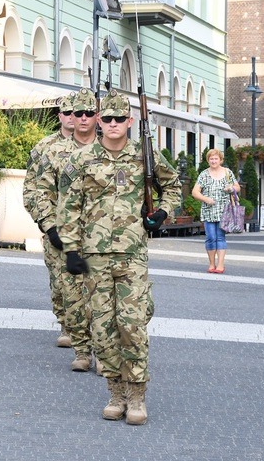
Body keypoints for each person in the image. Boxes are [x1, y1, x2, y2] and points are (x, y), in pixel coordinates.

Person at [59, 89, 181, 426]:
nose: (113, 124)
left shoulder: (145, 155)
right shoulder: (81, 160)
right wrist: (70, 250)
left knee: (132, 325)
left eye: (119, 119)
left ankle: (137, 395)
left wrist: (162, 213)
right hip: (94, 258)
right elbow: (68, 208)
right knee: (102, 330)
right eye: (108, 118)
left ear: (130, 121)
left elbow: (173, 187)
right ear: (99, 121)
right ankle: (116, 393)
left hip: (132, 255)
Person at [36, 88, 98, 370]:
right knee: (68, 291)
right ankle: (78, 343)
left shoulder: (113, 149)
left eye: (88, 113)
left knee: (100, 294)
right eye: (76, 113)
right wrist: (50, 227)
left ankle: (103, 351)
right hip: (64, 234)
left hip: (101, 236)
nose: (81, 118)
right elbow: (38, 191)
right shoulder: (51, 150)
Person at [22, 92, 74, 347]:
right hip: (55, 224)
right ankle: (66, 325)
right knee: (60, 280)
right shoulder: (45, 147)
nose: (74, 117)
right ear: (60, 116)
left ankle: (88, 332)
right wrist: (45, 222)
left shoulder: (97, 146)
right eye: (68, 113)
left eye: (80, 112)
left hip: (89, 228)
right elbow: (31, 188)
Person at [191, 149, 241, 274]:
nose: (213, 161)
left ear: (220, 160)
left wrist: (231, 188)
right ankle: (212, 264)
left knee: (220, 237)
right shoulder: (204, 174)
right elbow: (195, 192)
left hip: (224, 210)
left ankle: (220, 265)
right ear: (208, 161)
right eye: (211, 159)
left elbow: (237, 187)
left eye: (216, 159)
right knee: (210, 237)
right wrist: (206, 199)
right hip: (208, 210)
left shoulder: (227, 172)